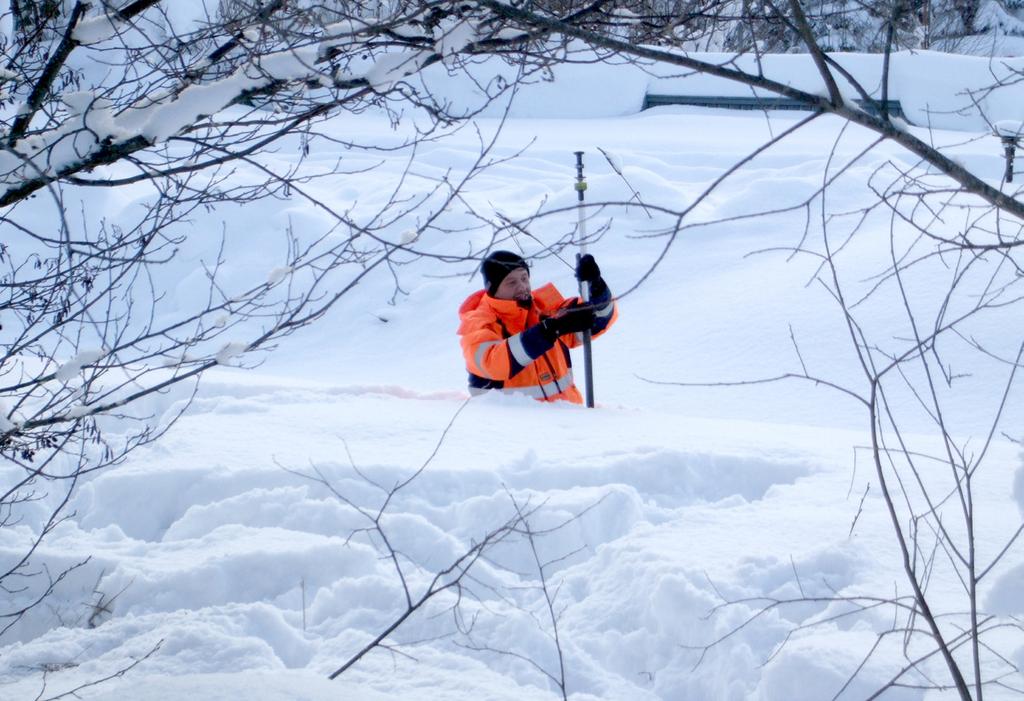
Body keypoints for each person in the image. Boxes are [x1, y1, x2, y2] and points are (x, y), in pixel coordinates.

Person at [457, 250, 618, 404]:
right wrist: (551, 329)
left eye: (524, 278)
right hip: (511, 427)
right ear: (492, 289)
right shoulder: (478, 323)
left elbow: (599, 321)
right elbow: (494, 363)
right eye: (511, 282)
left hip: (569, 420)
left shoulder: (544, 309)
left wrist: (596, 288)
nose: (522, 286)